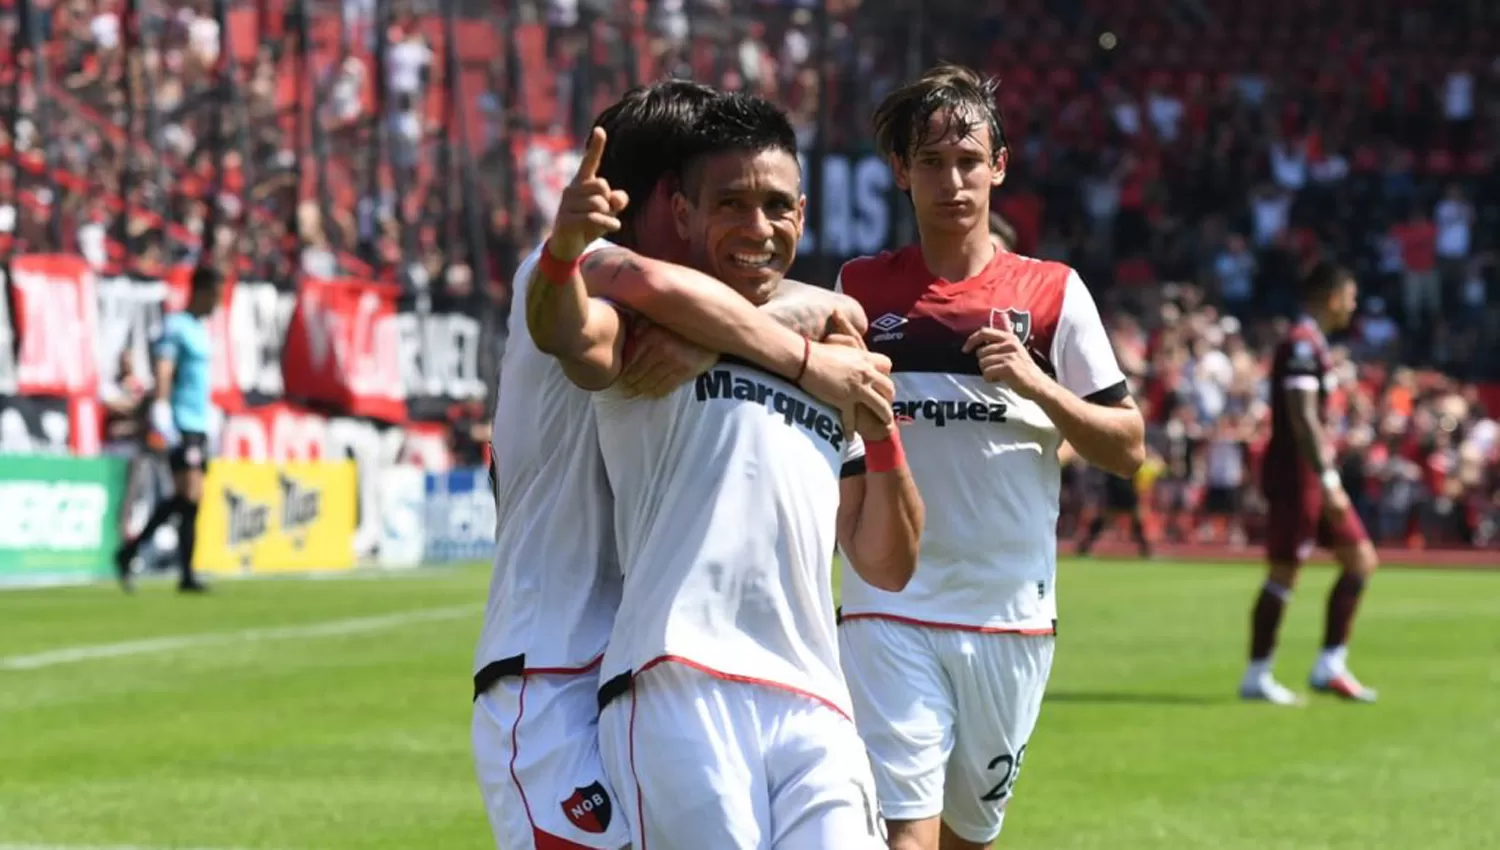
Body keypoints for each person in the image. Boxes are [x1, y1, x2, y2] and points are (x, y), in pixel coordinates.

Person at [472, 80, 891, 850]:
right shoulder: (577, 268)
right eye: (709, 197)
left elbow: (831, 309)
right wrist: (804, 357)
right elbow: (644, 301)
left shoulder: (701, 313)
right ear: (669, 201)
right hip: (550, 670)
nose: (732, 226)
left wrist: (748, 331)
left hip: (628, 671)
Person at [834, 64, 1145, 850]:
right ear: (901, 172)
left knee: (968, 839)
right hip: (891, 604)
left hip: (1011, 615)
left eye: (968, 161)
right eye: (931, 163)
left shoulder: (1054, 292)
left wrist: (1038, 384)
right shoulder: (861, 289)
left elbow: (1128, 446)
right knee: (906, 835)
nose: (952, 180)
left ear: (999, 166)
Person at [1242, 261, 1380, 706]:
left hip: (1311, 475)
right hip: (1297, 475)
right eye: (1350, 294)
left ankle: (1330, 665)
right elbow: (1301, 416)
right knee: (1285, 572)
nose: (1354, 304)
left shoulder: (1313, 343)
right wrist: (1328, 477)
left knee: (1360, 560)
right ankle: (1257, 675)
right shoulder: (1301, 344)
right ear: (1332, 296)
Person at [113, 265, 224, 594]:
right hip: (181, 422)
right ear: (201, 291)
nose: (217, 303)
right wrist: (162, 409)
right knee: (187, 494)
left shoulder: (201, 329)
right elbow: (165, 368)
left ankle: (183, 571)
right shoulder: (176, 326)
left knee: (191, 500)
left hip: (200, 422)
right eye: (215, 295)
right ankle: (134, 552)